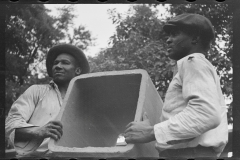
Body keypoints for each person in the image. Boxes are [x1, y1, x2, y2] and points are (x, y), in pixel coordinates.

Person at [124, 13, 228, 157]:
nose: (168, 40)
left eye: (175, 34)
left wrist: (152, 131)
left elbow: (206, 113)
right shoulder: (196, 66)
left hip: (187, 154)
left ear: (195, 38)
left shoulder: (193, 62)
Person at [5, 44, 90, 157]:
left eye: (65, 62)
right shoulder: (36, 91)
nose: (58, 66)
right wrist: (38, 131)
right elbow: (10, 125)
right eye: (55, 63)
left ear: (78, 70)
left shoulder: (85, 102)